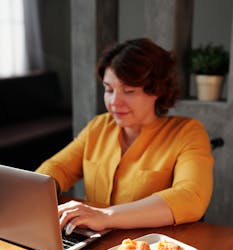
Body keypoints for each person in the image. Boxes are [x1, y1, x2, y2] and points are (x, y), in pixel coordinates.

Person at [36, 38, 214, 235]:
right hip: (93, 243)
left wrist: (106, 216)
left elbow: (190, 197)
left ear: (157, 90)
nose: (114, 102)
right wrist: (33, 192)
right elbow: (58, 168)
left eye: (128, 91)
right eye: (108, 89)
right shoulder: (99, 126)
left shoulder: (187, 132)